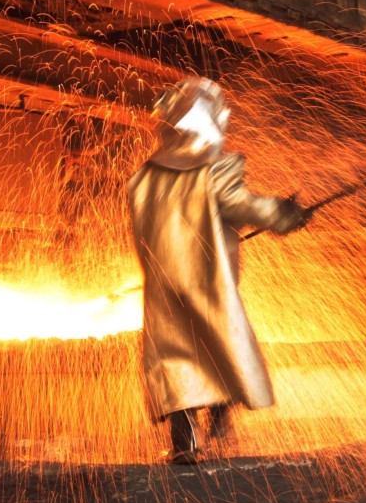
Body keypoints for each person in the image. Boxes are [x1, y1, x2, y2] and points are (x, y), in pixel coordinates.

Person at [128, 77, 311, 464]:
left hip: (164, 286)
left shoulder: (143, 178)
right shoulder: (213, 171)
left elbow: (151, 229)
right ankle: (222, 435)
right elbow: (242, 205)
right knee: (218, 351)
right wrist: (285, 214)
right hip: (208, 284)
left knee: (175, 360)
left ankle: (186, 445)